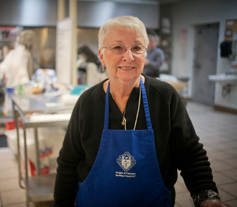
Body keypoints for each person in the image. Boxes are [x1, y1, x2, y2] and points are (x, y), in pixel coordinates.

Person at [53, 16, 230, 207]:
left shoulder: (165, 97)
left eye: (137, 48)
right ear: (102, 56)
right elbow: (68, 163)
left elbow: (191, 155)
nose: (128, 56)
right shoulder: (87, 102)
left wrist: (207, 196)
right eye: (118, 47)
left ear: (145, 54)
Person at [0, 30, 35, 116]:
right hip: (19, 87)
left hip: (15, 86)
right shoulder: (23, 54)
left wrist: (3, 77)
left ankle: (18, 125)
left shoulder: (16, 53)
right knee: (21, 110)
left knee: (17, 111)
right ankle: (18, 126)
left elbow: (2, 68)